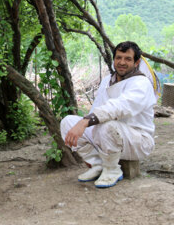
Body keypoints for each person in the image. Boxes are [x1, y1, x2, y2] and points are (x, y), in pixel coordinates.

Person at [60, 41, 157, 188]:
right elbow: (97, 109)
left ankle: (112, 170)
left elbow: (119, 107)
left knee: (105, 124)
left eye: (128, 59)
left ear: (136, 62)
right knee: (68, 122)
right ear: (114, 60)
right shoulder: (107, 81)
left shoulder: (141, 83)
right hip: (107, 135)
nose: (122, 62)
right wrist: (83, 122)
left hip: (137, 140)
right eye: (119, 57)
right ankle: (97, 164)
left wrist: (86, 121)